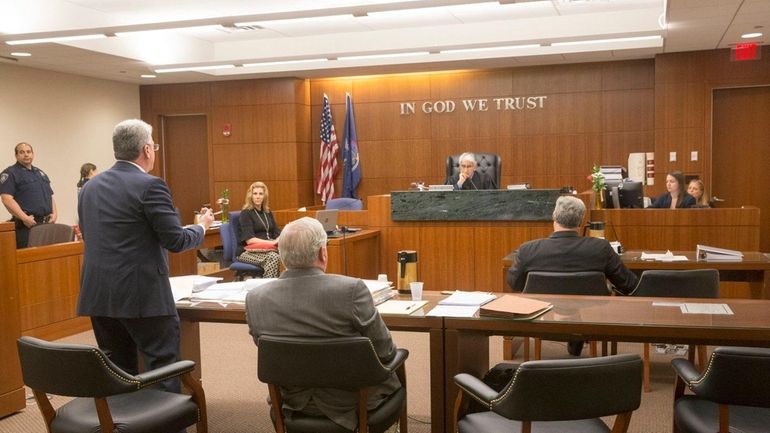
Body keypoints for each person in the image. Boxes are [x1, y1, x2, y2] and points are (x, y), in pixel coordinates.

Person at [76, 119, 213, 393]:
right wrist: (202, 227)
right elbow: (175, 240)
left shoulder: (89, 188)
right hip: (142, 295)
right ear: (147, 150)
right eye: (154, 146)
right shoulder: (151, 186)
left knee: (118, 372)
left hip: (98, 293)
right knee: (163, 369)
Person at [245, 216, 401, 432]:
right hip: (354, 402)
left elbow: (272, 354)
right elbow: (384, 351)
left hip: (291, 403)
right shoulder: (352, 290)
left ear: (281, 255)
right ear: (322, 252)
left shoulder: (255, 298)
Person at [506, 195, 638, 356]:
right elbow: (628, 283)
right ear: (581, 221)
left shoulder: (528, 249)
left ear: (554, 217)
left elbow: (514, 283)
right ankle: (579, 337)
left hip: (541, 311)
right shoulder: (600, 248)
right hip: (592, 313)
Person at [1, 142, 58, 248]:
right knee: (29, 262)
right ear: (16, 155)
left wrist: (55, 214)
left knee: (48, 260)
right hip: (27, 226)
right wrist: (24, 218)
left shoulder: (40, 173)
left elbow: (50, 195)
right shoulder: (10, 173)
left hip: (46, 224)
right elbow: (6, 199)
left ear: (33, 154)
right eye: (22, 152)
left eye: (28, 152)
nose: (26, 155)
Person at [238, 181, 281, 278]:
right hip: (248, 252)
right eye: (255, 194)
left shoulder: (267, 212)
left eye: (260, 194)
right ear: (250, 196)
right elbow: (249, 240)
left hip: (269, 249)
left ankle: (282, 288)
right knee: (273, 258)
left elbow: (277, 232)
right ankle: (267, 290)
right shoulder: (246, 213)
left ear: (264, 196)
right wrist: (272, 243)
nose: (258, 196)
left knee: (287, 255)